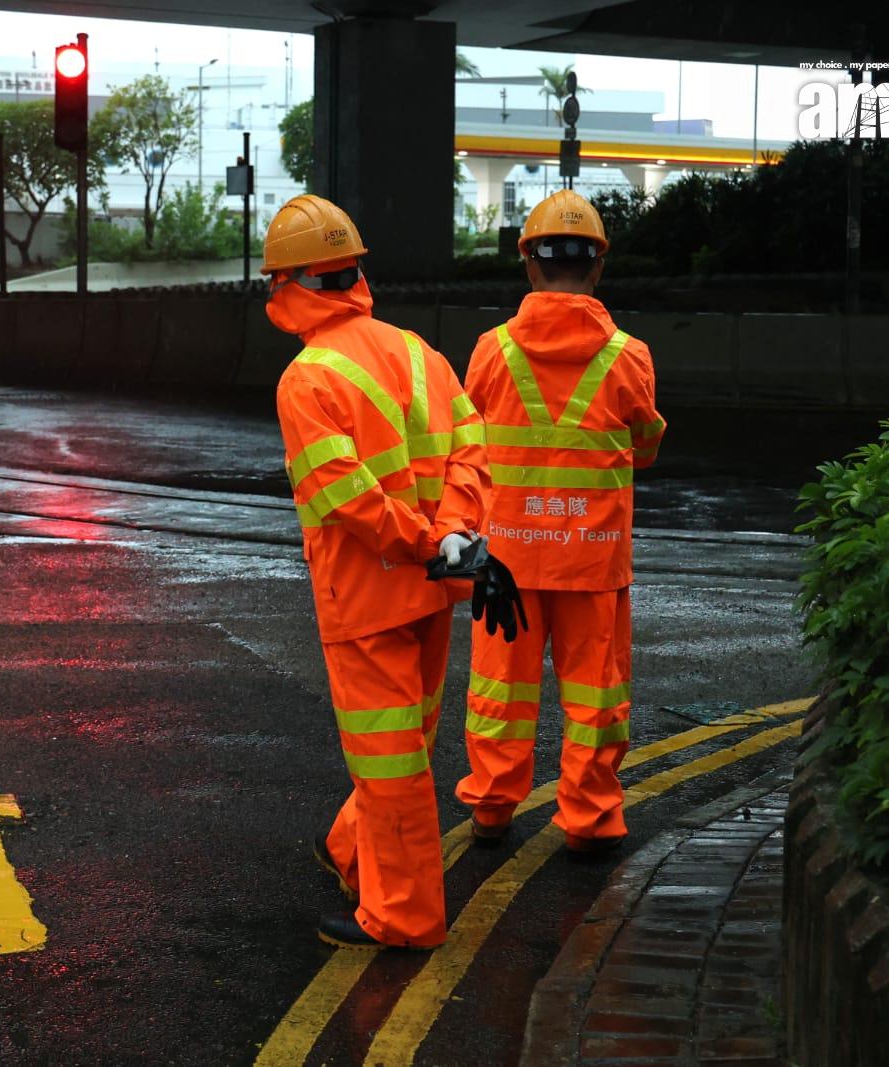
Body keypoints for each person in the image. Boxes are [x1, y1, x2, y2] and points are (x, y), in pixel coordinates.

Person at [266, 194, 491, 950]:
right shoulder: (419, 353)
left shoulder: (307, 379)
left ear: (295, 284)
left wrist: (426, 542)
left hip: (367, 601)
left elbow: (347, 499)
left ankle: (403, 915)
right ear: (352, 276)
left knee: (389, 761)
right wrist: (453, 538)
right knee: (403, 747)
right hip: (431, 590)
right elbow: (471, 449)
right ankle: (353, 852)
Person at [455, 189, 666, 856]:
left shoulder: (491, 351)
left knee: (499, 692)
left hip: (508, 561)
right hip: (592, 559)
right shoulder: (629, 355)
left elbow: (467, 439)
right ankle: (593, 818)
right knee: (597, 696)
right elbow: (647, 443)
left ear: (528, 265)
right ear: (598, 267)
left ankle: (491, 808)